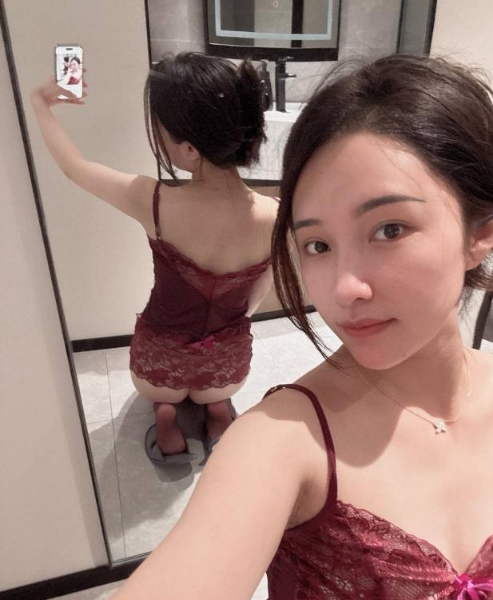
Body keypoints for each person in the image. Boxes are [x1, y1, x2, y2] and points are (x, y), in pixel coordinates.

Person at [106, 53, 493, 600]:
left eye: (389, 229)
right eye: (317, 245)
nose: (344, 289)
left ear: (481, 232)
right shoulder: (279, 441)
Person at [31, 52, 278, 464]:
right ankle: (218, 413)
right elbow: (255, 298)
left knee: (164, 396)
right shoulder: (274, 215)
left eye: (161, 132)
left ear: (189, 148)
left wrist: (40, 103)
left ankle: (166, 417)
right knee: (216, 392)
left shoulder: (154, 201)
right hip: (226, 370)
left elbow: (74, 167)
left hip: (157, 369)